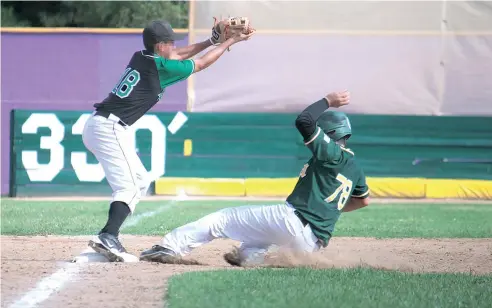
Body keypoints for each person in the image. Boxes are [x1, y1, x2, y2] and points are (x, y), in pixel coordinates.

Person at [82, 20, 254, 262]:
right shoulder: (161, 67)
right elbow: (200, 63)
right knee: (129, 187)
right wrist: (230, 42)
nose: (174, 45)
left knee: (139, 181)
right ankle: (108, 236)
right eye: (170, 42)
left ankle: (109, 234)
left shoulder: (142, 57)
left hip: (102, 124)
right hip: (109, 127)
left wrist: (211, 41)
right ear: (160, 46)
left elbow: (178, 54)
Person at [139, 90, 371, 266]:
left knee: (223, 219)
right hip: (312, 244)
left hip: (292, 221)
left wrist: (327, 101)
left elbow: (304, 121)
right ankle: (253, 259)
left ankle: (170, 247)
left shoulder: (330, 152)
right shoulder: (355, 167)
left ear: (329, 134)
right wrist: (327, 209)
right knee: (248, 248)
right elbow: (363, 201)